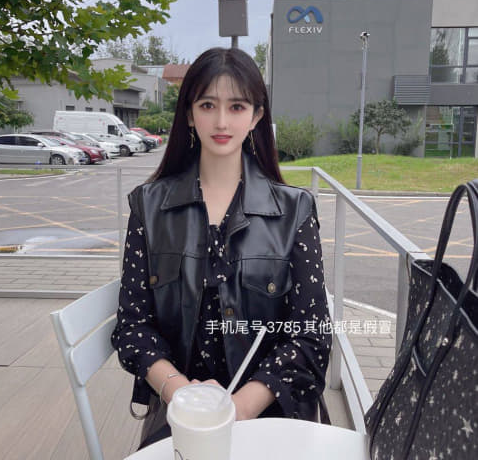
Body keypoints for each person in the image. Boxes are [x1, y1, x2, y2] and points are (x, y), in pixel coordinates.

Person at [111, 47, 332, 448]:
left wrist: (241, 406)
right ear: (189, 113)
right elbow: (132, 327)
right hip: (183, 414)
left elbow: (311, 335)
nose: (221, 121)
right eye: (208, 105)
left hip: (271, 412)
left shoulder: (295, 210)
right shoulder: (148, 206)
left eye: (237, 106)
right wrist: (182, 393)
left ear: (257, 116)